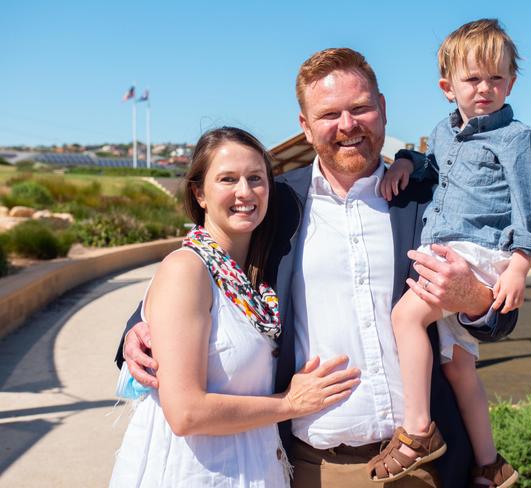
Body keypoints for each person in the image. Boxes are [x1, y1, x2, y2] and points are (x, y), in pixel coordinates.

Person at [117, 48, 519, 487]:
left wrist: (475, 300)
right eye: (329, 114)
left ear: (382, 108)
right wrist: (137, 327)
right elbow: (208, 264)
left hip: (423, 466)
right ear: (305, 126)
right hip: (316, 468)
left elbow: (499, 309)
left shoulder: (428, 197)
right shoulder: (277, 204)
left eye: (361, 108)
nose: (348, 125)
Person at [110, 127, 361, 487]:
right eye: (228, 179)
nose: (245, 192)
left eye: (255, 179)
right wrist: (290, 403)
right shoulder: (187, 270)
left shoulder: (254, 280)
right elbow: (185, 413)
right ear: (199, 193)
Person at [375, 19, 531, 487]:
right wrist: (409, 160)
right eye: (473, 79)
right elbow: (436, 168)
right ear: (447, 87)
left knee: (405, 318)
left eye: (497, 78)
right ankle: (490, 465)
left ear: (511, 81)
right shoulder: (445, 131)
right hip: (453, 248)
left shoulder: (518, 139)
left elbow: (530, 207)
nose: (485, 88)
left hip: (480, 251)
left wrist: (519, 265)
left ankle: (417, 431)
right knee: (459, 369)